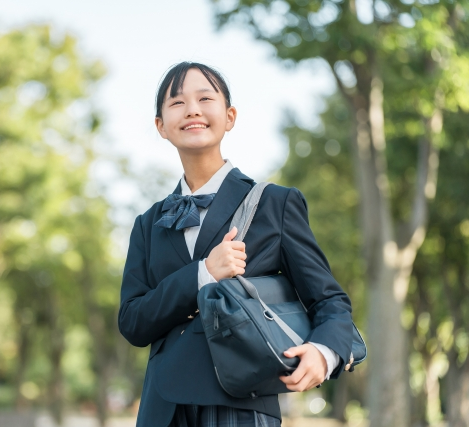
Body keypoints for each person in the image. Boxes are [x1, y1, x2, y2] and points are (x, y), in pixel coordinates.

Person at [118, 62, 353, 427]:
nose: (193, 109)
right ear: (161, 126)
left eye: (205, 98)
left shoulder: (275, 203)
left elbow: (329, 300)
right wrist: (203, 274)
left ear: (229, 116)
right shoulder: (147, 224)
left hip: (241, 406)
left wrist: (324, 352)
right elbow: (133, 322)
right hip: (161, 412)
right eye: (177, 102)